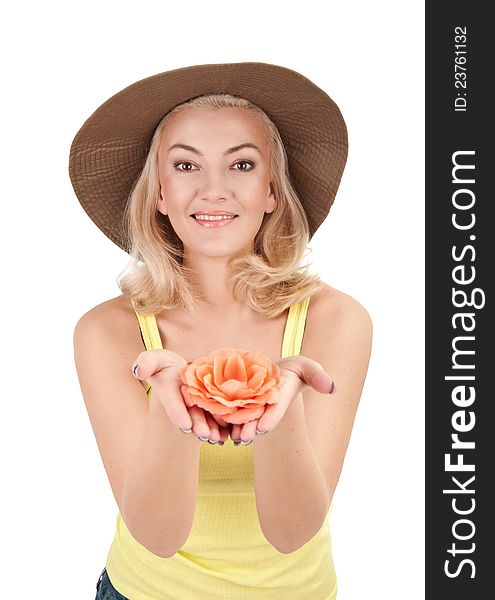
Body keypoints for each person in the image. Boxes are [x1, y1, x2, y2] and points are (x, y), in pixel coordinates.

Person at [69, 62, 372, 600]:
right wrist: (172, 412)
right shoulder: (107, 331)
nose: (213, 190)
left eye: (241, 165)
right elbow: (157, 537)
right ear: (158, 194)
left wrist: (286, 407)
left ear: (272, 191)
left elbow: (293, 533)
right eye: (186, 165)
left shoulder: (335, 320)